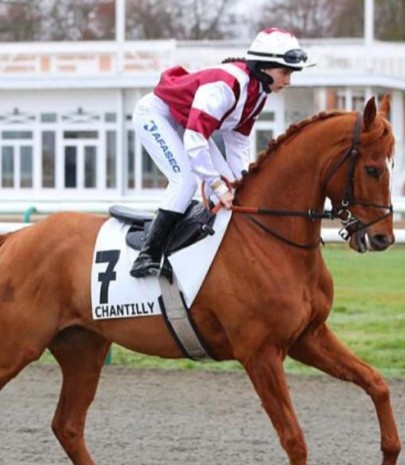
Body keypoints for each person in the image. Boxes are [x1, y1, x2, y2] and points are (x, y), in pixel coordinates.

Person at [129, 28, 314, 278]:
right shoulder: (227, 85)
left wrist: (244, 184)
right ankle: (148, 255)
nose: (288, 81)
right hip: (157, 116)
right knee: (185, 182)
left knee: (235, 191)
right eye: (285, 72)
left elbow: (237, 143)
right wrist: (216, 184)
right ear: (263, 67)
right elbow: (195, 138)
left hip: (185, 124)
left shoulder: (259, 93)